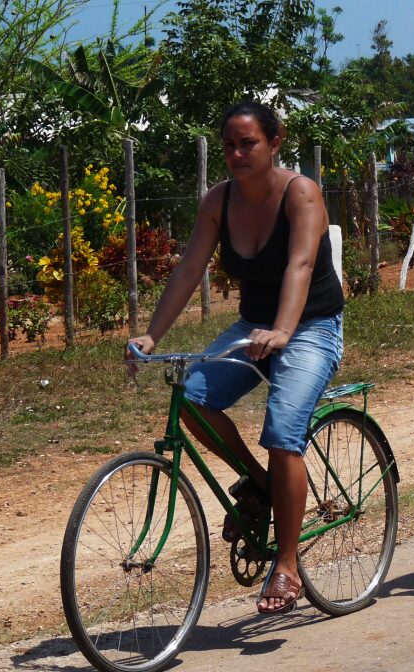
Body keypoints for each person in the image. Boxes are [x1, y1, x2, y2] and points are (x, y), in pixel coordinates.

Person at [126, 101, 344, 615]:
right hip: (253, 327)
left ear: (275, 142)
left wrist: (285, 330)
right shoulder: (218, 201)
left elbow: (302, 263)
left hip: (311, 325)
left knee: (283, 429)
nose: (237, 153)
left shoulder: (301, 194)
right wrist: (153, 336)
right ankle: (262, 482)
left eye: (248, 143)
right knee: (192, 398)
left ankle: (286, 564)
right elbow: (187, 270)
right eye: (229, 144)